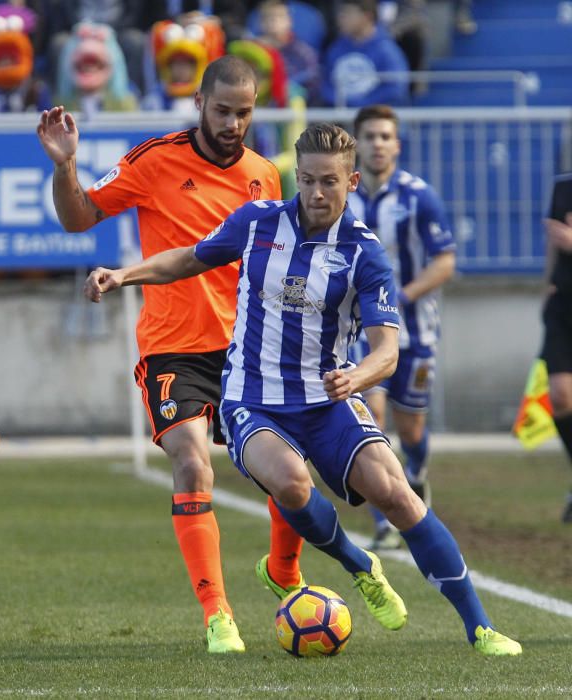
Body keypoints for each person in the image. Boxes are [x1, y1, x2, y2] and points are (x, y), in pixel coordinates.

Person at [84, 122, 523, 657]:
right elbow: (188, 258)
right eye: (308, 180)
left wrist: (357, 377)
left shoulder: (365, 253)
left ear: (352, 181)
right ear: (296, 176)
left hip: (329, 398)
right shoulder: (256, 222)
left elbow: (387, 350)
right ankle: (358, 563)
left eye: (329, 183)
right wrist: (123, 275)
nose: (317, 193)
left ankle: (479, 627)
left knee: (397, 492)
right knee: (291, 484)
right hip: (252, 398)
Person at [36, 55, 306, 654]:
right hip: (174, 348)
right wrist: (67, 167)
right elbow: (78, 217)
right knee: (191, 462)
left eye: (244, 113)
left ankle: (284, 571)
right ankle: (219, 615)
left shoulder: (264, 173)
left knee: (292, 477)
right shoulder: (153, 160)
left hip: (246, 351)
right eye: (222, 111)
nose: (233, 123)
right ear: (200, 105)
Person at [347, 104, 456, 549]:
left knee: (411, 429)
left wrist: (400, 298)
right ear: (356, 144)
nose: (377, 144)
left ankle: (417, 475)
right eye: (369, 136)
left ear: (397, 144)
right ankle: (384, 520)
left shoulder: (419, 197)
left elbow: (445, 261)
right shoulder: (340, 195)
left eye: (384, 136)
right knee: (371, 415)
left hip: (413, 329)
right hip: (356, 330)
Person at [541, 173, 572, 522]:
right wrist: (547, 283)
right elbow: (554, 242)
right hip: (563, 305)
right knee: (561, 397)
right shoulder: (563, 186)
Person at [320, 0, 409, 107]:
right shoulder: (336, 48)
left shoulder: (386, 50)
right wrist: (340, 101)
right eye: (341, 13)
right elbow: (325, 82)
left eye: (348, 13)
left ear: (367, 16)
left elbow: (395, 88)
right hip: (340, 116)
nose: (341, 18)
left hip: (374, 116)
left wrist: (362, 104)